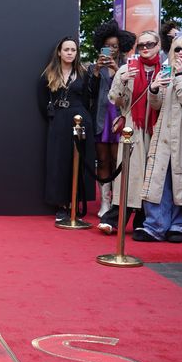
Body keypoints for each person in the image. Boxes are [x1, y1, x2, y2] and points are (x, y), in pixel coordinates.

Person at [133, 34, 182, 243]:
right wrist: (154, 88)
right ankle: (154, 226)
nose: (180, 53)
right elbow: (156, 105)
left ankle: (178, 226)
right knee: (158, 181)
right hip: (164, 134)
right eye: (177, 49)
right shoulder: (166, 71)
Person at [98, 31, 162, 235]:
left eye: (150, 43)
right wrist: (122, 80)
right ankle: (115, 218)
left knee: (151, 176)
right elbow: (115, 99)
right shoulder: (128, 68)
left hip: (158, 128)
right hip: (133, 128)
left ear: (158, 45)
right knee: (128, 174)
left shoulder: (167, 69)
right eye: (141, 44)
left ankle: (144, 222)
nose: (145, 48)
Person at [37, 36, 95, 221]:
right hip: (59, 120)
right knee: (58, 161)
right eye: (67, 49)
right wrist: (54, 117)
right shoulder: (48, 74)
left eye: (73, 50)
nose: (70, 53)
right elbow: (41, 100)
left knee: (78, 160)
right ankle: (61, 205)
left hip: (80, 119)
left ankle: (74, 202)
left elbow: (87, 100)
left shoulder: (84, 73)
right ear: (59, 52)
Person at [88, 21, 132, 218]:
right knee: (103, 160)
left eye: (115, 46)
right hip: (100, 118)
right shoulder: (93, 68)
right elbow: (90, 93)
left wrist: (117, 71)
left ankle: (117, 202)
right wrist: (96, 72)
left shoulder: (126, 66)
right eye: (108, 45)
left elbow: (128, 92)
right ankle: (105, 202)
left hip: (119, 118)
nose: (112, 49)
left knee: (117, 160)